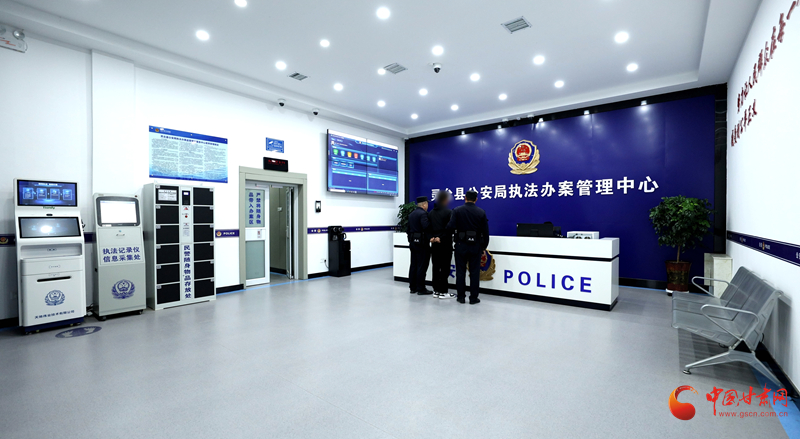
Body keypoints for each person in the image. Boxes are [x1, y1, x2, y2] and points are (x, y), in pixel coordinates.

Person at [446, 190, 490, 304]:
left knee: (460, 272)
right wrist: (483, 247)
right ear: (476, 199)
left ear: (465, 198)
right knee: (474, 272)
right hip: (475, 246)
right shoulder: (481, 212)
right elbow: (485, 232)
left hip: (461, 245)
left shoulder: (457, 210)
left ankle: (461, 297)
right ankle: (473, 298)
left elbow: (450, 227)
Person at [428, 191, 454, 299]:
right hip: (445, 244)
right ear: (445, 200)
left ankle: (436, 290)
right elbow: (450, 228)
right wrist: (441, 238)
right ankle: (443, 291)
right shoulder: (448, 212)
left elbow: (428, 228)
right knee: (445, 267)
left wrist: (432, 237)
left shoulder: (431, 213)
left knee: (435, 267)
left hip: (434, 244)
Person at [407, 196, 433, 295]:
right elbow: (426, 227)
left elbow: (408, 230)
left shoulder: (411, 214)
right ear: (424, 204)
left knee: (413, 265)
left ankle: (412, 287)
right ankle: (421, 288)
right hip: (422, 244)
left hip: (413, 242)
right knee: (422, 266)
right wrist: (431, 237)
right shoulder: (423, 214)